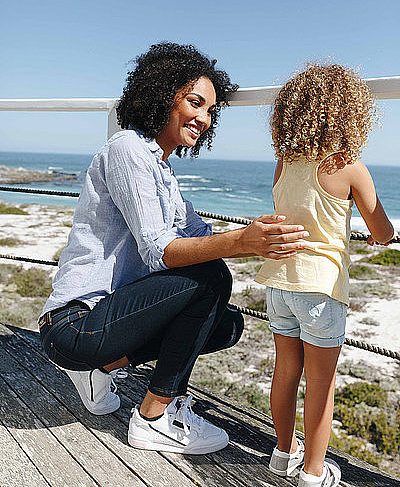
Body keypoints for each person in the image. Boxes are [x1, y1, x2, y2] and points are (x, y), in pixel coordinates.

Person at [39, 42, 308, 455]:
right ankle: (153, 417)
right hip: (74, 324)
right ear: (163, 94)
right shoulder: (127, 149)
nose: (203, 118)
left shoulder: (161, 170)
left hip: (109, 321)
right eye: (195, 103)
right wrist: (241, 242)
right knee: (212, 278)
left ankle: (104, 369)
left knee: (225, 324)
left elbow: (199, 233)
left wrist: (272, 225)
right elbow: (159, 251)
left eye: (211, 112)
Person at [254, 64, 397, 487]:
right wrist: (381, 237)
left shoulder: (284, 162)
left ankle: (283, 454)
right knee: (321, 385)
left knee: (284, 373)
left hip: (280, 283)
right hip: (321, 288)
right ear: (353, 113)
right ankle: (314, 474)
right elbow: (382, 230)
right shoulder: (350, 166)